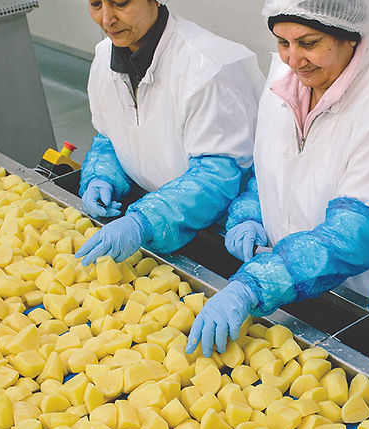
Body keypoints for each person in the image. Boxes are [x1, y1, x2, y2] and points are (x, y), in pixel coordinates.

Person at [186, 0, 369, 358]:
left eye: (308, 43)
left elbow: (353, 236)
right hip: (287, 285)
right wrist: (251, 213)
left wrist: (256, 284)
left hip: (357, 308)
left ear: (349, 37)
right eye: (283, 42)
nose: (293, 60)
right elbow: (271, 168)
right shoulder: (286, 81)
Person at [75, 0, 264, 265]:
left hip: (226, 232)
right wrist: (102, 176)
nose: (107, 19)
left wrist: (144, 222)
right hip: (155, 214)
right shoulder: (105, 55)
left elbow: (216, 177)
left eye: (120, 3)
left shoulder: (209, 68)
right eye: (96, 4)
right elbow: (109, 136)